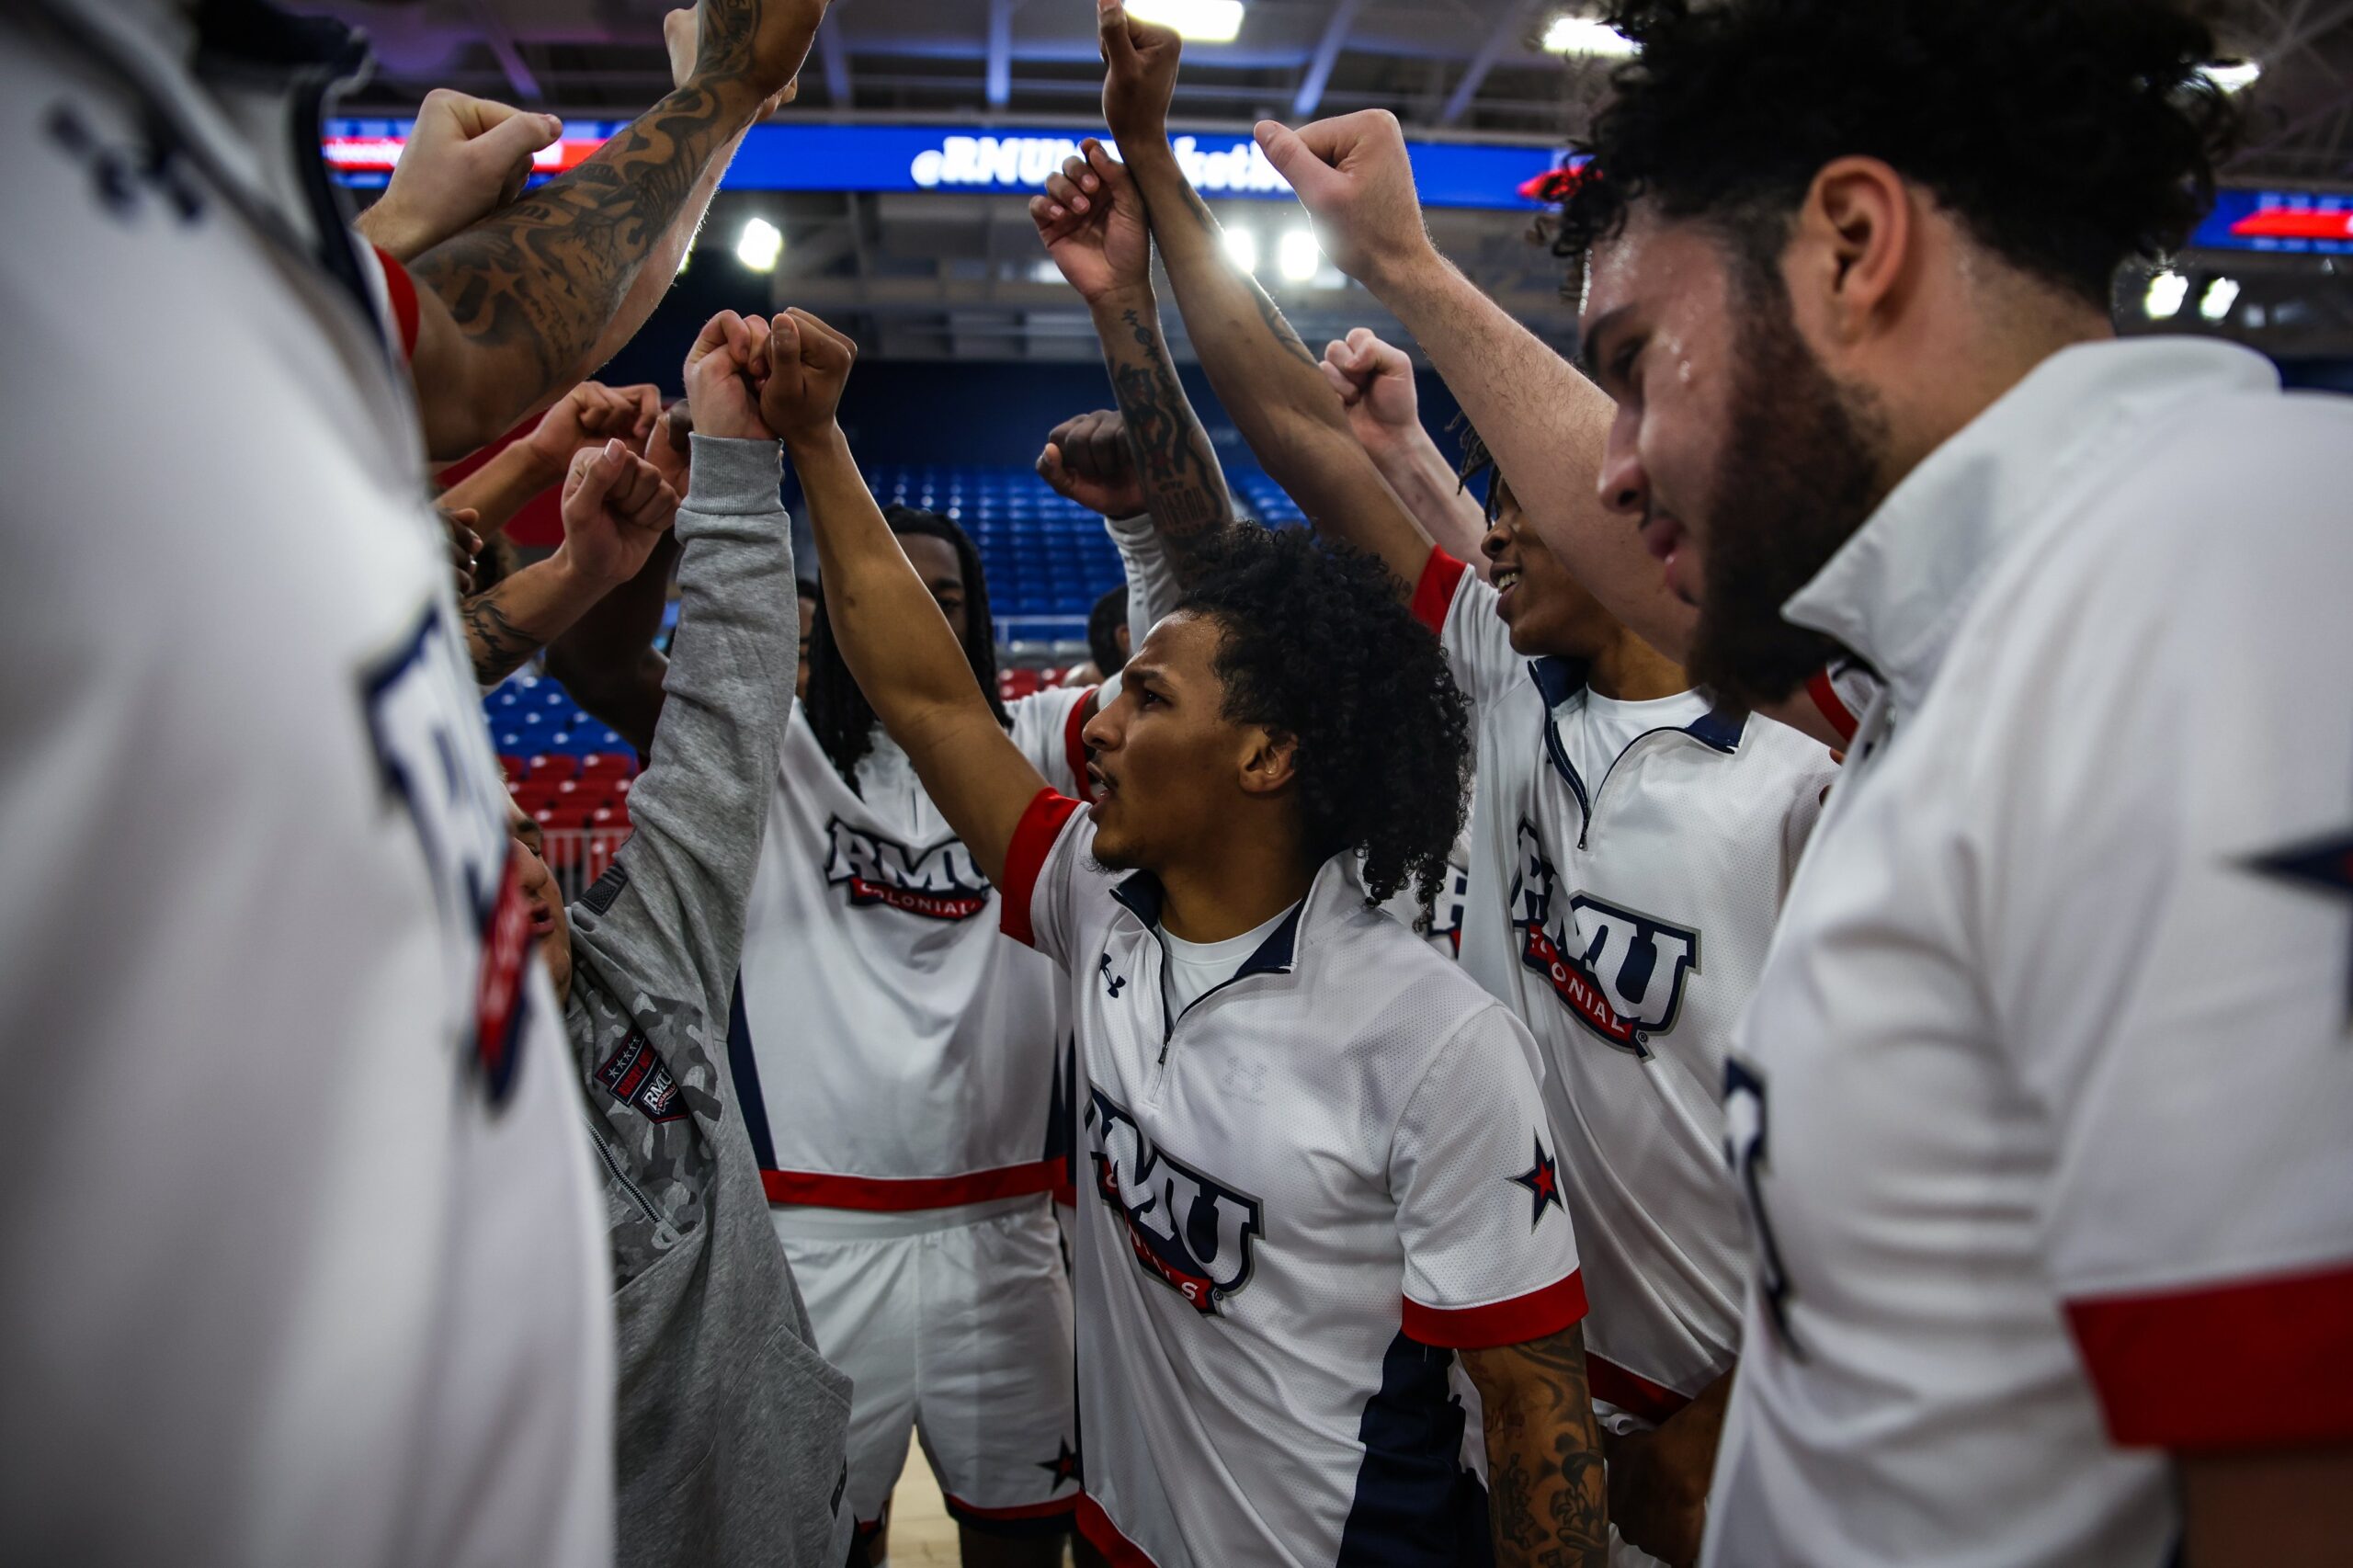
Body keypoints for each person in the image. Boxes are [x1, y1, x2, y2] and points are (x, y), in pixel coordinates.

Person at [0, 0, 815, 1562]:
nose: (508, 846)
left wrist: (564, 533)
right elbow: (469, 360)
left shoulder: (170, 182)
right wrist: (725, 88)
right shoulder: (52, 204)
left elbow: (396, 520)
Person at [1539, 2, 2353, 1563]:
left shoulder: (2219, 568)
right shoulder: (1979, 649)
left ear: (1853, 248)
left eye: (1637, 364)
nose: (1614, 461)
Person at [1041, 28, 1835, 1556]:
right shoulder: (1488, 662)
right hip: (1502, 1384)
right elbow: (1291, 420)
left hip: (1733, 1429)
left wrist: (1741, 1409)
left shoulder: (1803, 786)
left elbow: (1906, 1148)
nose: (1497, 535)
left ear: (1633, 517)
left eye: (1529, 505)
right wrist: (1157, 162)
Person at [779, 275, 1611, 1564]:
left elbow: (1534, 1411)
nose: (1096, 726)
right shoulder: (1092, 902)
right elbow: (928, 699)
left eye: (1146, 697)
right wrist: (821, 442)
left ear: (1267, 756)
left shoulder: (1433, 1040)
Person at [496, 309, 853, 1568]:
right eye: (473, 854)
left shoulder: (638, 958)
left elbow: (724, 716)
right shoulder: (368, 1124)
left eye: (526, 837)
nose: (523, 871)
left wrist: (739, 467)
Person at [1253, 103, 1863, 751]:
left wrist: (1398, 259)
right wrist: (1405, 447)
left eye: (1648, 379)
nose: (1617, 475)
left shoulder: (1828, 709)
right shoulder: (1847, 690)